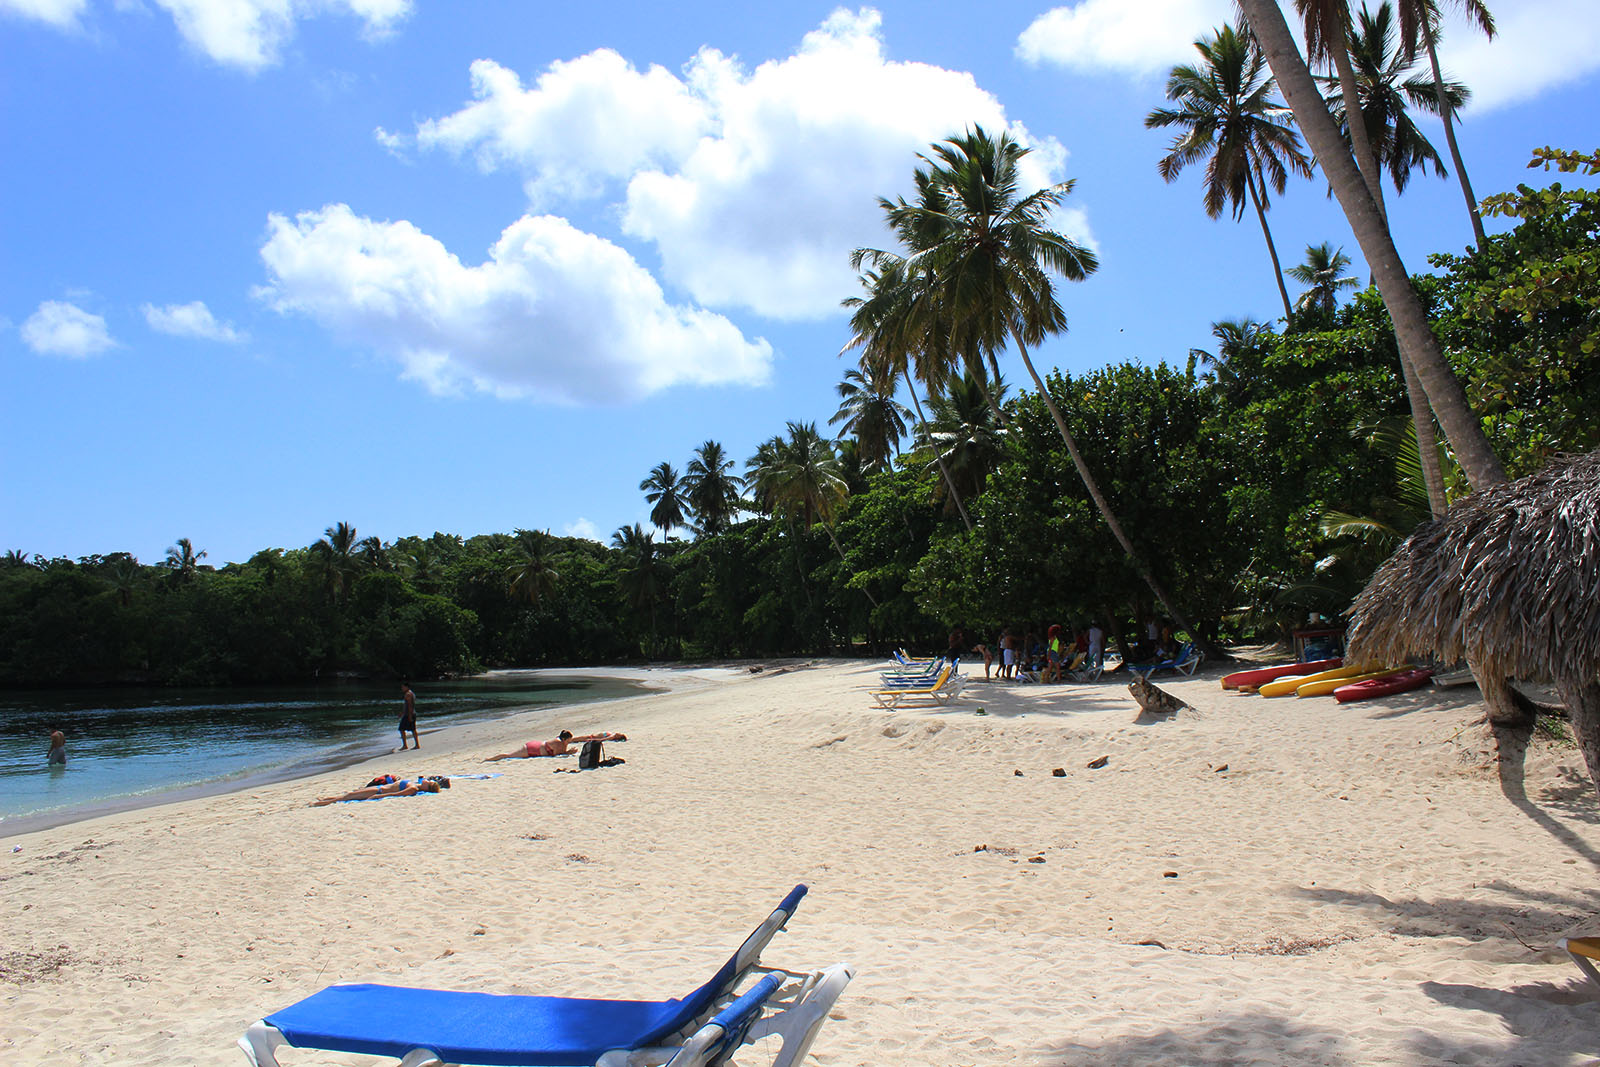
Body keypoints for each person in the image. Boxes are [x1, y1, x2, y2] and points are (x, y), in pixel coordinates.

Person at [484, 731, 628, 761]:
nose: (570, 742)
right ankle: (489, 759)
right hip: (531, 749)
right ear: (565, 739)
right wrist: (569, 752)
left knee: (509, 755)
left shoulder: (559, 741)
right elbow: (558, 754)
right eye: (569, 740)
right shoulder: (560, 745)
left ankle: (490, 759)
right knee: (508, 756)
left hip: (534, 746)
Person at [312, 777, 445, 806]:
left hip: (380, 791)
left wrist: (377, 796)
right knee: (349, 794)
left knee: (349, 796)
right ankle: (324, 800)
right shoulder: (416, 784)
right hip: (379, 790)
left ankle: (320, 804)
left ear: (427, 788)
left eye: (429, 782)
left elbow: (396, 794)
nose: (427, 780)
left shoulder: (413, 789)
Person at [398, 681, 419, 751]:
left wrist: (409, 716)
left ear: (406, 687)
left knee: (402, 729)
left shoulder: (408, 694)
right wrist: (402, 713)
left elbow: (410, 706)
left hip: (409, 714)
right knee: (412, 729)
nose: (402, 688)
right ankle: (416, 744)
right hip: (410, 713)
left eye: (403, 687)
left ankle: (405, 745)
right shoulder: (411, 693)